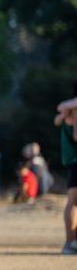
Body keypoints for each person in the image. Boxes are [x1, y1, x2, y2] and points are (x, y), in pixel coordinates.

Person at [55, 85, 77, 255]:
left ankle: (70, 242)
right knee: (73, 202)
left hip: (71, 160)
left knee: (73, 202)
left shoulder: (67, 110)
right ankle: (71, 242)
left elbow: (57, 118)